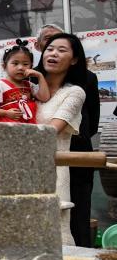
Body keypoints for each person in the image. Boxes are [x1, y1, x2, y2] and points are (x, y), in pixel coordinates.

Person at [37, 25, 99, 247]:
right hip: (29, 165)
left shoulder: (75, 91)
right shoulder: (28, 86)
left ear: (74, 59)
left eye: (61, 50)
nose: (53, 53)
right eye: (50, 48)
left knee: (67, 225)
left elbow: (53, 129)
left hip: (63, 164)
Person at [0, 40, 50, 123]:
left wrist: (40, 76)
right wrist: (5, 113)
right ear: (4, 66)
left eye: (25, 64)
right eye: (15, 63)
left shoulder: (29, 85)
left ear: (31, 66)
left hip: (30, 128)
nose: (20, 67)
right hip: (8, 129)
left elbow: (44, 98)